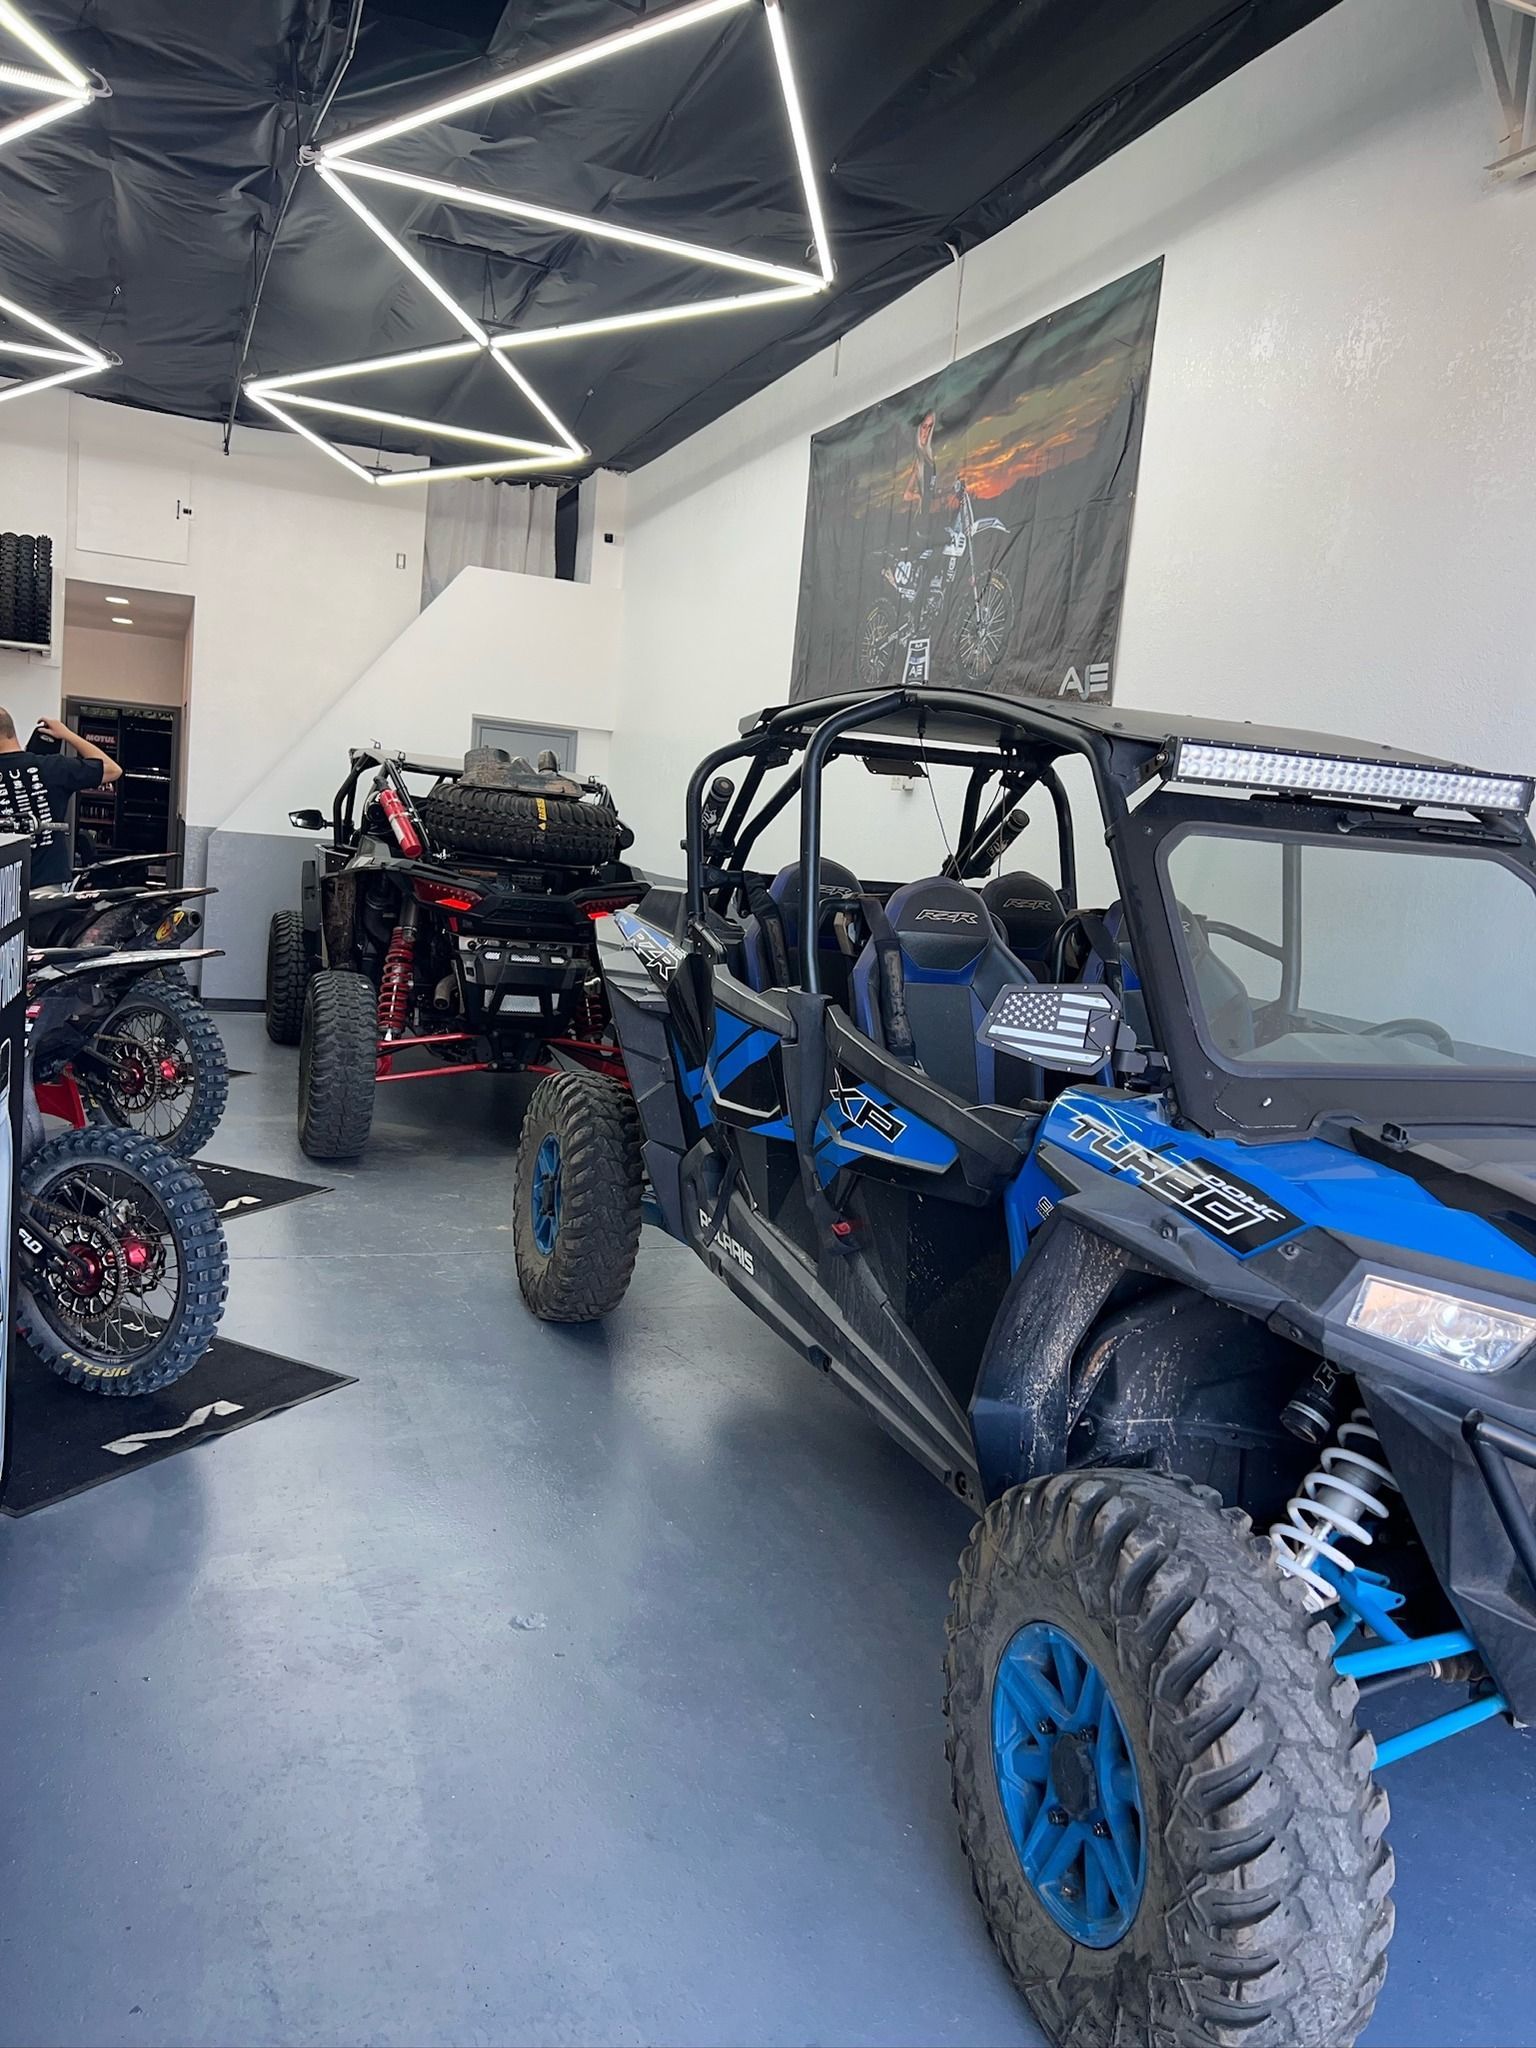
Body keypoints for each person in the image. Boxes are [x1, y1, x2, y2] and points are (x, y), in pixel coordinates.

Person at [0, 708, 121, 886]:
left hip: (5, 888)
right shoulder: (52, 767)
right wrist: (67, 735)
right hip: (48, 886)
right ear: (11, 731)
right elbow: (113, 769)